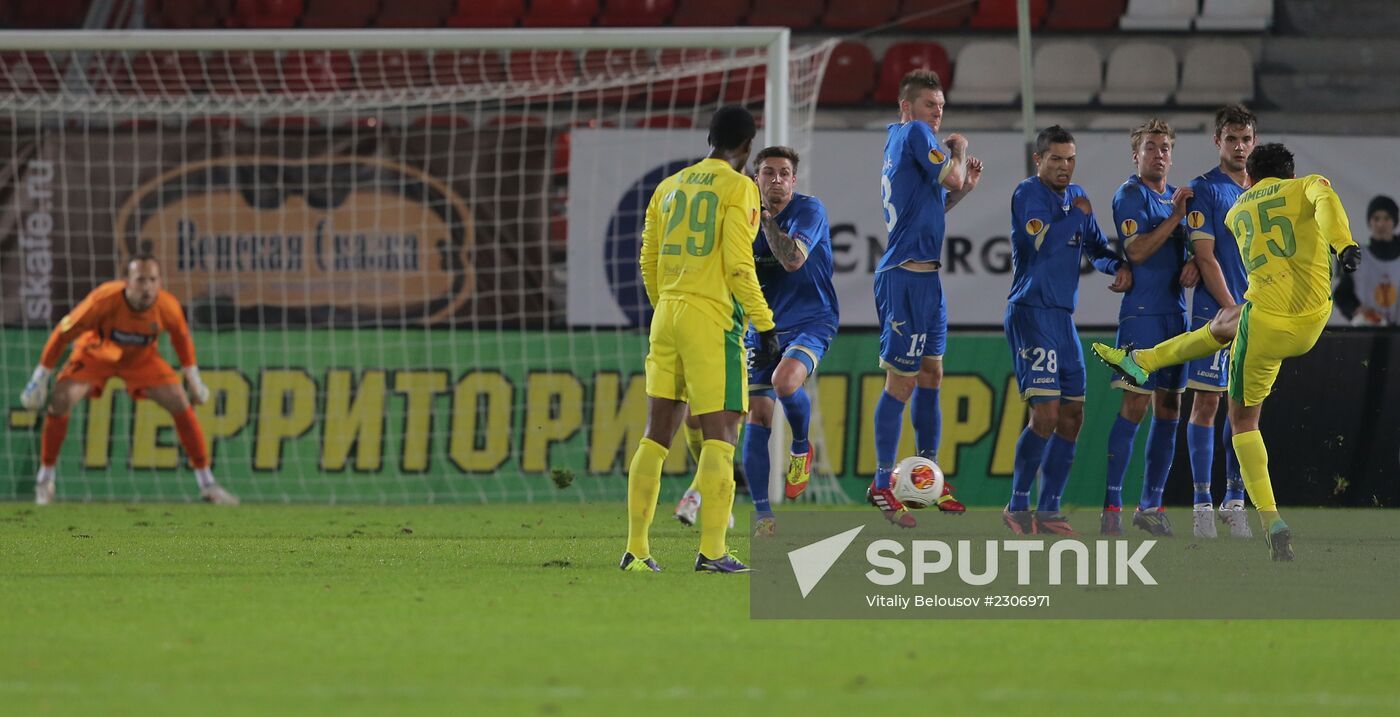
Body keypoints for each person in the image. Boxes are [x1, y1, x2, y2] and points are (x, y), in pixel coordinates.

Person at [1093, 142, 1362, 561]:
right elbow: (1324, 202)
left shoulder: (1237, 211)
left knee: (1242, 421)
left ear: (1249, 179)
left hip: (1266, 326)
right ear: (1289, 175)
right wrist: (1344, 245)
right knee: (1225, 323)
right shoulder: (1308, 185)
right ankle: (1143, 361)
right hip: (1313, 319)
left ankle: (1272, 521)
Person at [620, 105, 781, 574]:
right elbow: (737, 263)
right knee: (722, 435)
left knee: (656, 435)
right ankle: (712, 551)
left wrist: (666, 303)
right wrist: (765, 323)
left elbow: (647, 258)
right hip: (712, 321)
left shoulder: (668, 187)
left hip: (666, 312)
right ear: (748, 147)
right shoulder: (740, 188)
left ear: (710, 138)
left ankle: (637, 551)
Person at [18, 254, 239, 505]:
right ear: (126, 281)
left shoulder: (167, 306)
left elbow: (182, 341)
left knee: (180, 401)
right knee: (61, 398)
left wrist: (194, 379)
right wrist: (40, 376)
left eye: (153, 280)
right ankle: (45, 479)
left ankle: (207, 483)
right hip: (98, 353)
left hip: (141, 360)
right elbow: (62, 333)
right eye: (141, 280)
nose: (147, 287)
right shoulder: (103, 299)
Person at [1001, 126, 1131, 536]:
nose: (1064, 166)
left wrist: (1119, 268)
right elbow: (1044, 242)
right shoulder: (1029, 194)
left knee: (1072, 415)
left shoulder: (1076, 200)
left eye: (1070, 158)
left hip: (1062, 319)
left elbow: (1095, 250)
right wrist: (1078, 214)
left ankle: (1050, 508)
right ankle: (1018, 505)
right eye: (1055, 158)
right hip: (1031, 312)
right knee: (1046, 414)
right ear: (1038, 160)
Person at [869, 68, 981, 528]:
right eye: (929, 105)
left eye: (940, 107)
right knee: (902, 382)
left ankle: (927, 475)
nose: (936, 113)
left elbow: (934, 202)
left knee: (932, 372)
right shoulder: (914, 133)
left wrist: (962, 189)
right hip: (904, 279)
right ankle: (880, 484)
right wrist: (959, 149)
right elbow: (952, 176)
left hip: (927, 278)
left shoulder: (904, 141)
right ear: (906, 107)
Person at [1102, 118, 1195, 538]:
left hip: (1175, 318)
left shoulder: (1174, 203)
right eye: (1151, 147)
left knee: (1170, 409)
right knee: (1134, 408)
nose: (1159, 154)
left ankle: (1151, 505)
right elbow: (1137, 251)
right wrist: (1177, 217)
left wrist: (1192, 260)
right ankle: (1111, 507)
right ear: (1135, 153)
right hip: (1141, 316)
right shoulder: (1131, 194)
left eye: (1165, 148)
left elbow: (1190, 248)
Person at [740, 145, 839, 537]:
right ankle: (763, 515)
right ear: (756, 178)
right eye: (768, 172)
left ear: (794, 181)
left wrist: (765, 222)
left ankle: (801, 444)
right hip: (763, 326)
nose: (776, 180)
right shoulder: (740, 220)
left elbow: (793, 260)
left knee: (784, 383)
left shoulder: (810, 210)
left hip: (812, 320)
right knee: (757, 416)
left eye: (784, 174)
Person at [1181, 105, 1258, 539]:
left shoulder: (1264, 189)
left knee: (1245, 409)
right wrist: (1232, 307)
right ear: (1218, 142)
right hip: (1217, 311)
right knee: (1207, 404)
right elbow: (1205, 256)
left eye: (1246, 138)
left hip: (1256, 311)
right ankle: (1200, 504)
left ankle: (1234, 501)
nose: (1240, 146)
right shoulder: (1204, 190)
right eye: (1232, 139)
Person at [1333, 195, 1400, 325]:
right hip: (1369, 333)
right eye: (1376, 218)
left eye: (1386, 218)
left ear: (1394, 221)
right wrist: (1356, 310)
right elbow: (1341, 295)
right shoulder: (1358, 256)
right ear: (1370, 222)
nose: (1381, 224)